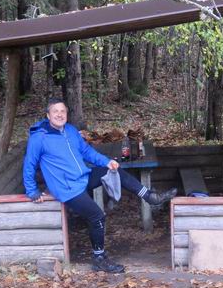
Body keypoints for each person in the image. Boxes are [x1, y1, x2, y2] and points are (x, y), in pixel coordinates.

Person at [23, 98, 177, 273]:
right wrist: (32, 191)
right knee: (97, 216)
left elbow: (87, 152)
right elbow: (29, 164)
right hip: (67, 189)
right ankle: (99, 258)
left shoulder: (70, 131)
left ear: (66, 114)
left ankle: (150, 197)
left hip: (82, 178)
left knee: (114, 171)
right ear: (48, 115)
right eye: (55, 111)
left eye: (63, 111)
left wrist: (107, 162)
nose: (59, 114)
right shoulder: (39, 137)